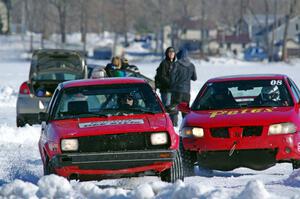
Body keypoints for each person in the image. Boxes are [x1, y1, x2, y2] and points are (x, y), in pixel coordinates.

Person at [168, 48, 197, 127]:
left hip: (176, 92)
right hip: (186, 93)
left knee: (174, 110)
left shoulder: (176, 64)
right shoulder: (191, 65)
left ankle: (174, 127)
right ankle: (187, 126)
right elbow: (194, 78)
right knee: (185, 111)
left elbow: (172, 77)